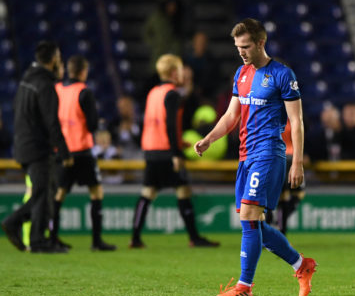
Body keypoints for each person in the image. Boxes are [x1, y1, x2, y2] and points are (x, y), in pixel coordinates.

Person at [194, 18, 317, 296]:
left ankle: (244, 286)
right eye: (238, 47)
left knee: (250, 216)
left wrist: (296, 161)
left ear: (261, 43)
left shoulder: (283, 75)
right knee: (254, 224)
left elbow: (296, 122)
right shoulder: (241, 74)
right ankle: (302, 264)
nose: (241, 52)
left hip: (269, 154)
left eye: (246, 46)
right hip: (245, 156)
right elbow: (231, 116)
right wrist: (210, 139)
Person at [129, 54, 219, 249]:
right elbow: (170, 124)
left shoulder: (154, 92)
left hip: (151, 149)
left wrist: (179, 143)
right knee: (183, 190)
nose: (181, 74)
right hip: (167, 152)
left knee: (148, 192)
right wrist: (176, 153)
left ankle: (135, 238)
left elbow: (155, 122)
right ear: (172, 72)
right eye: (179, 70)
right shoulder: (172, 94)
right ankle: (194, 238)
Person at [1, 41, 72, 253]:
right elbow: (52, 122)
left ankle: (37, 238)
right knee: (43, 193)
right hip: (38, 147)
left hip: (23, 145)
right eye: (59, 57)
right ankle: (25, 229)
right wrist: (64, 151)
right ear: (52, 60)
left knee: (44, 190)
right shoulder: (45, 85)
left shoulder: (27, 80)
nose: (61, 61)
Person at [52, 55, 116, 251]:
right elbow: (92, 125)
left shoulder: (57, 90)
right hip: (82, 150)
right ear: (83, 71)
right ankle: (96, 241)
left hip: (62, 150)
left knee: (59, 194)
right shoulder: (84, 92)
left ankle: (52, 238)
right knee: (96, 192)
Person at [266, 120, 306, 235]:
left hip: (291, 158)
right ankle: (273, 229)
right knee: (279, 197)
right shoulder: (274, 112)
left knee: (295, 195)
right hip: (277, 156)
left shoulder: (295, 114)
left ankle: (276, 227)